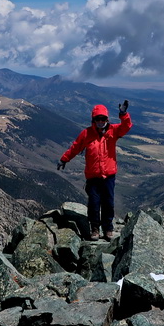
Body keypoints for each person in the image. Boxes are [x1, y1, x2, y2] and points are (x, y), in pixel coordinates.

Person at [58, 100, 131, 240]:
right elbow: (75, 147)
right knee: (94, 204)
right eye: (98, 119)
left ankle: (108, 229)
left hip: (108, 175)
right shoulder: (86, 134)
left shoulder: (113, 131)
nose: (100, 121)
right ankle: (95, 229)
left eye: (103, 118)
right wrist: (64, 159)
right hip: (92, 177)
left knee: (108, 203)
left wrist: (123, 114)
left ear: (107, 119)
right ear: (93, 119)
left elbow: (126, 126)